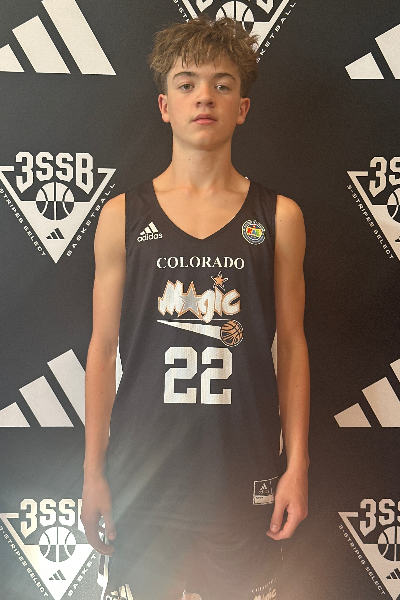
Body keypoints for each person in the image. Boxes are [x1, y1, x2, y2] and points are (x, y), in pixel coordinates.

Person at [81, 16, 309, 600]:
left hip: (242, 471)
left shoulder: (278, 216)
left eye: (222, 84)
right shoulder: (121, 217)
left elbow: (292, 345)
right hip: (143, 475)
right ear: (165, 105)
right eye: (187, 84)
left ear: (243, 108)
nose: (204, 96)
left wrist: (297, 465)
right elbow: (102, 349)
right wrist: (93, 471)